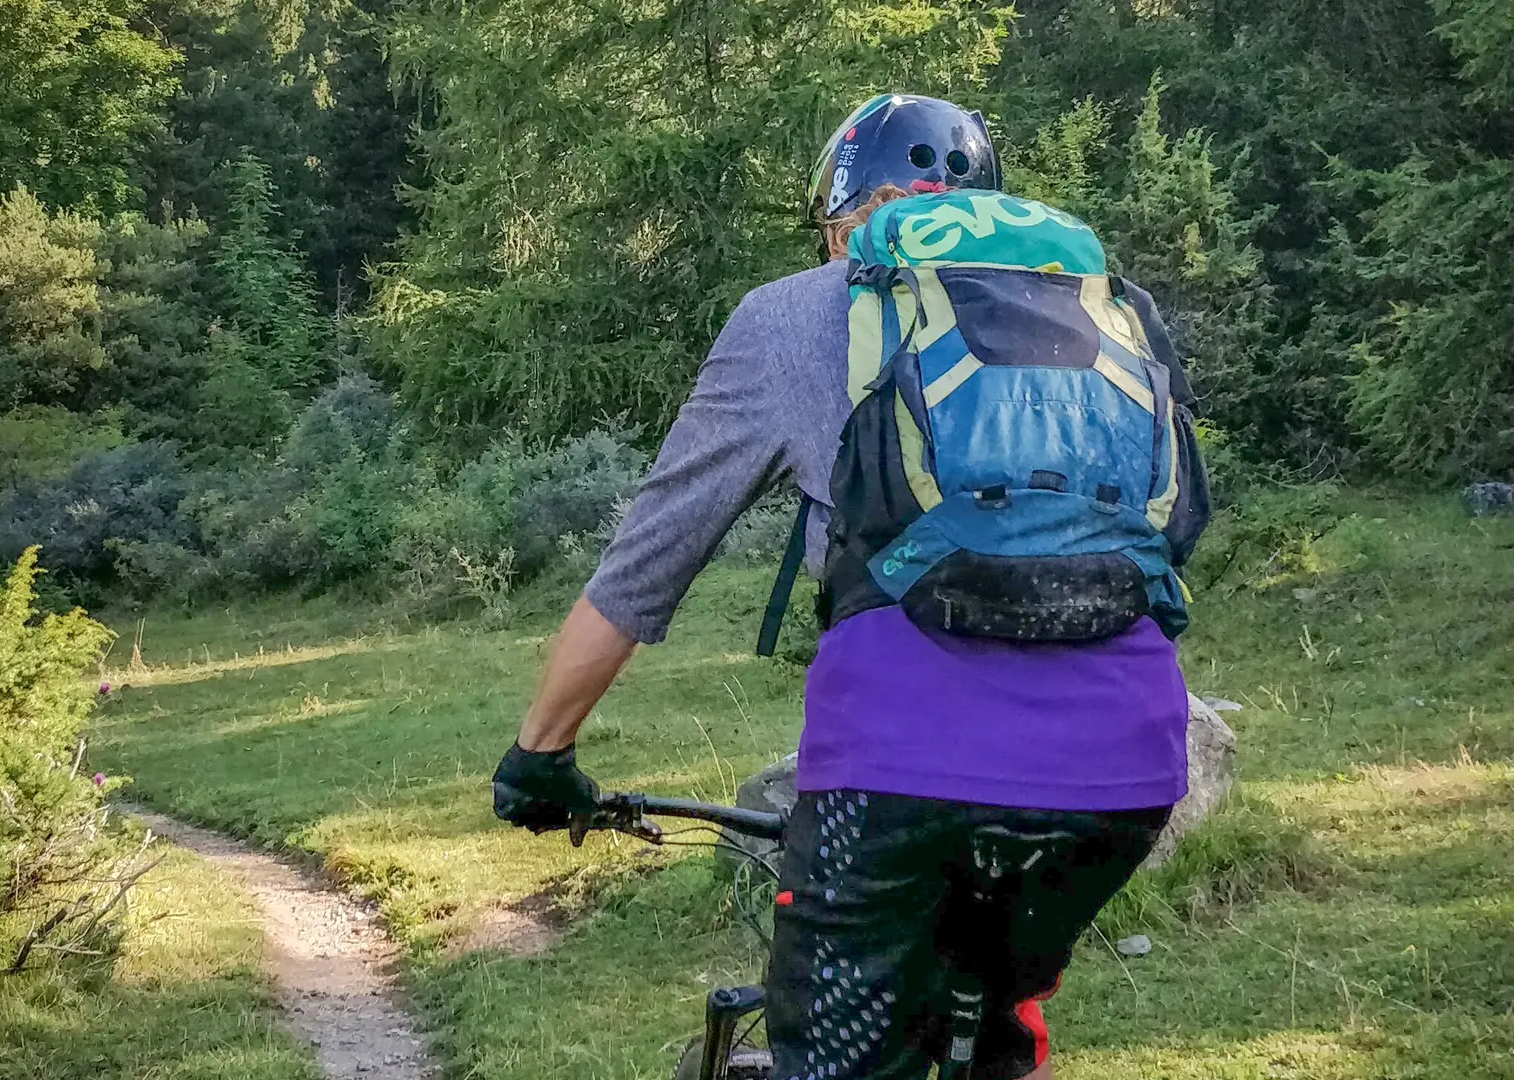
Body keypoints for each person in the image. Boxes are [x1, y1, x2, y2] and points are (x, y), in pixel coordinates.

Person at [490, 93, 1205, 1080]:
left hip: (898, 769)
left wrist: (541, 755)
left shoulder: (791, 316)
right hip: (1124, 772)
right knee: (987, 1030)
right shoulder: (1100, 315)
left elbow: (643, 568)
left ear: (843, 220)